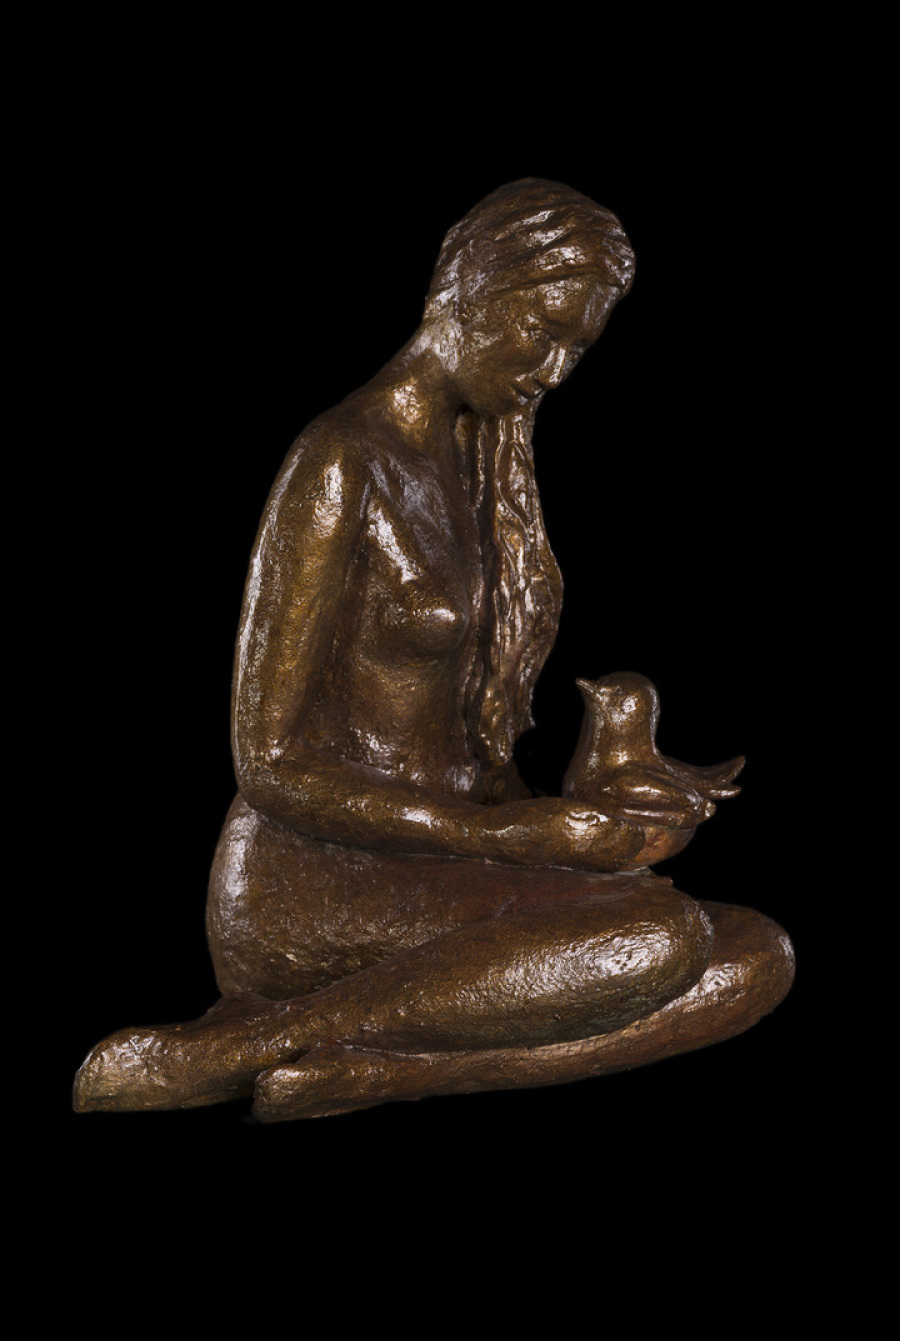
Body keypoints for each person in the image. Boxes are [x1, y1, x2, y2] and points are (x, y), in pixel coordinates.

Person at [73, 180, 794, 1121]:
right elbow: (268, 762)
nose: (554, 369)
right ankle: (248, 1042)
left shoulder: (486, 461)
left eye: (577, 349)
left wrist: (595, 811)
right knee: (657, 936)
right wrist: (498, 838)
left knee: (754, 952)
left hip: (448, 853)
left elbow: (472, 757)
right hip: (313, 877)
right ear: (472, 290)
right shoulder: (342, 459)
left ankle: (384, 1070)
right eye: (542, 332)